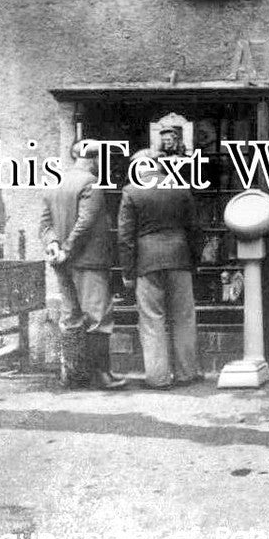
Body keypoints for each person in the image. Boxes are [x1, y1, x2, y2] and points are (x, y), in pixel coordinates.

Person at [40, 139, 127, 390]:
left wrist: (54, 245)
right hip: (88, 261)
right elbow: (85, 222)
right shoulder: (91, 183)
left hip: (62, 263)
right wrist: (67, 248)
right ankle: (102, 376)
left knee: (71, 317)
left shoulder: (55, 182)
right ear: (95, 160)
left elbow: (45, 225)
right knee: (98, 317)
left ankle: (74, 376)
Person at [118, 149, 204, 389]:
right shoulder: (180, 187)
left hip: (147, 262)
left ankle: (158, 377)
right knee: (184, 317)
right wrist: (194, 261)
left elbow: (125, 238)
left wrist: (127, 272)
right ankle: (187, 373)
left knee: (151, 319)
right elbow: (195, 229)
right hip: (179, 258)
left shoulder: (131, 191)